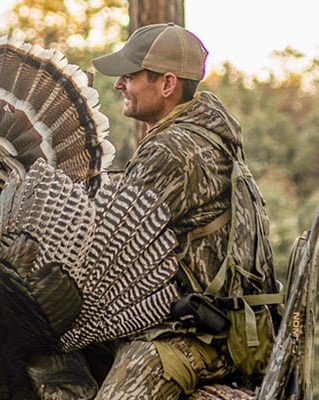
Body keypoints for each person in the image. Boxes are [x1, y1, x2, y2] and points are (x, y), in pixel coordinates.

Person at [91, 23, 278, 398]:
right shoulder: (203, 135)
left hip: (201, 335)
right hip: (232, 328)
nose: (118, 85)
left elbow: (108, 242)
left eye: (130, 75)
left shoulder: (173, 150)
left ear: (167, 84)